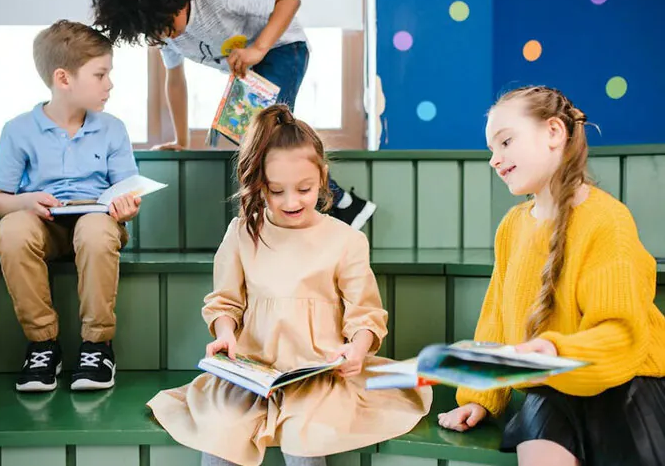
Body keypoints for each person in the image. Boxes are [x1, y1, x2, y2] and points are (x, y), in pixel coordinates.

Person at [146, 104, 432, 466]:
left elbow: (366, 314)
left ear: (323, 177)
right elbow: (225, 303)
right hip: (252, 376)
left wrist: (356, 350)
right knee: (220, 440)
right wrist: (225, 334)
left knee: (306, 446)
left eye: (304, 188)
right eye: (276, 190)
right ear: (258, 183)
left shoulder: (345, 240)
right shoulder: (241, 234)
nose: (291, 201)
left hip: (319, 379)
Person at [437, 86, 665, 466]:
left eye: (506, 142)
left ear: (554, 133)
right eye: (492, 150)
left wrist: (557, 351)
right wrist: (481, 397)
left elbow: (623, 334)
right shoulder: (512, 227)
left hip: (626, 386)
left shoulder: (607, 220)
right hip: (552, 389)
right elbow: (495, 318)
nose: (495, 160)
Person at [89, 0, 377, 230]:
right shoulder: (165, 38)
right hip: (252, 72)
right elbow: (175, 80)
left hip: (283, 49)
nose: (168, 34)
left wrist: (257, 49)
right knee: (256, 138)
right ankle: (344, 204)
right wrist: (181, 139)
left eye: (167, 24)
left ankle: (335, 203)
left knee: (267, 133)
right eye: (156, 31)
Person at [0, 20, 141, 392]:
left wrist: (128, 208)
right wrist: (25, 200)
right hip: (46, 226)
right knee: (12, 231)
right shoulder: (18, 130)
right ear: (64, 78)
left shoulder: (113, 128)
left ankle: (97, 345)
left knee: (93, 228)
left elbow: (128, 191)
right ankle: (43, 345)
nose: (110, 84)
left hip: (98, 224)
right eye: (101, 74)